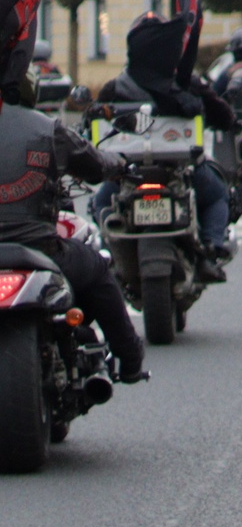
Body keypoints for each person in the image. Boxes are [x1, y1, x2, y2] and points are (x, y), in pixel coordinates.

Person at [0, 73, 147, 383]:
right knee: (96, 266)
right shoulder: (47, 129)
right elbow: (95, 165)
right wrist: (121, 164)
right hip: (39, 252)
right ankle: (130, 357)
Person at [96, 13, 237, 273]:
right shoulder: (188, 82)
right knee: (217, 194)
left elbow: (93, 122)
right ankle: (211, 248)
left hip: (129, 174)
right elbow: (223, 116)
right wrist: (227, 119)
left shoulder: (115, 87)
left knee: (101, 201)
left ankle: (108, 253)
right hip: (182, 169)